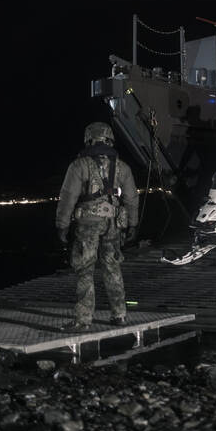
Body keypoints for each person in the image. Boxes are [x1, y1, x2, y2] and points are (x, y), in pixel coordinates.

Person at [55, 122, 139, 331]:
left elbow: (68, 197)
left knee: (85, 269)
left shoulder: (79, 166)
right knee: (112, 267)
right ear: (110, 139)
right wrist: (133, 224)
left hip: (87, 225)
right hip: (112, 225)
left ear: (88, 139)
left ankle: (83, 320)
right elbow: (131, 198)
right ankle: (119, 315)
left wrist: (62, 225)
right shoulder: (122, 167)